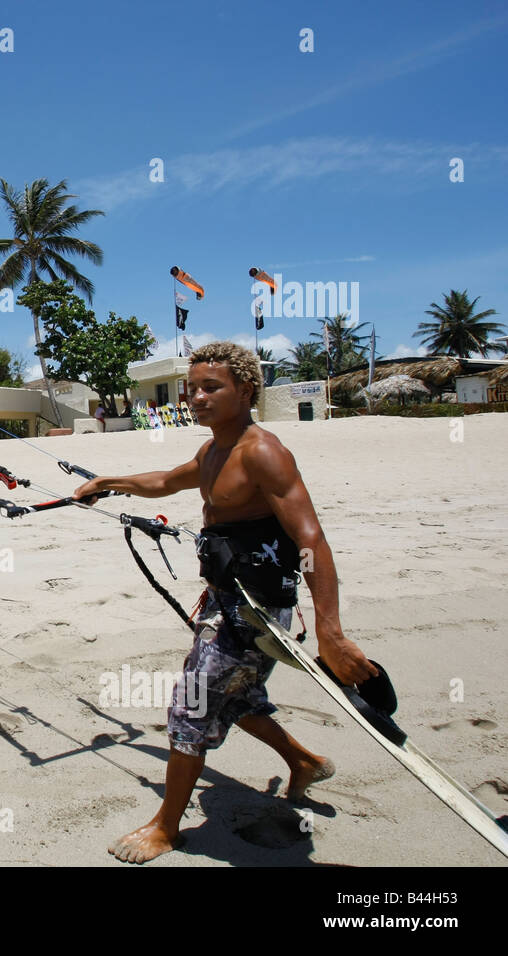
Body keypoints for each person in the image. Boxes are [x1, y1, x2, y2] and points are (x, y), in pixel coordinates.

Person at [72, 341, 376, 864]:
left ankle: (164, 828)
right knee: (236, 698)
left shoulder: (264, 452)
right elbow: (168, 481)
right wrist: (107, 483)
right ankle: (303, 763)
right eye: (193, 388)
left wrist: (331, 630)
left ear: (246, 389)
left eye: (212, 388)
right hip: (224, 599)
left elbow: (311, 540)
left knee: (192, 704)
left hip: (258, 610)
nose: (197, 397)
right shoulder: (213, 450)